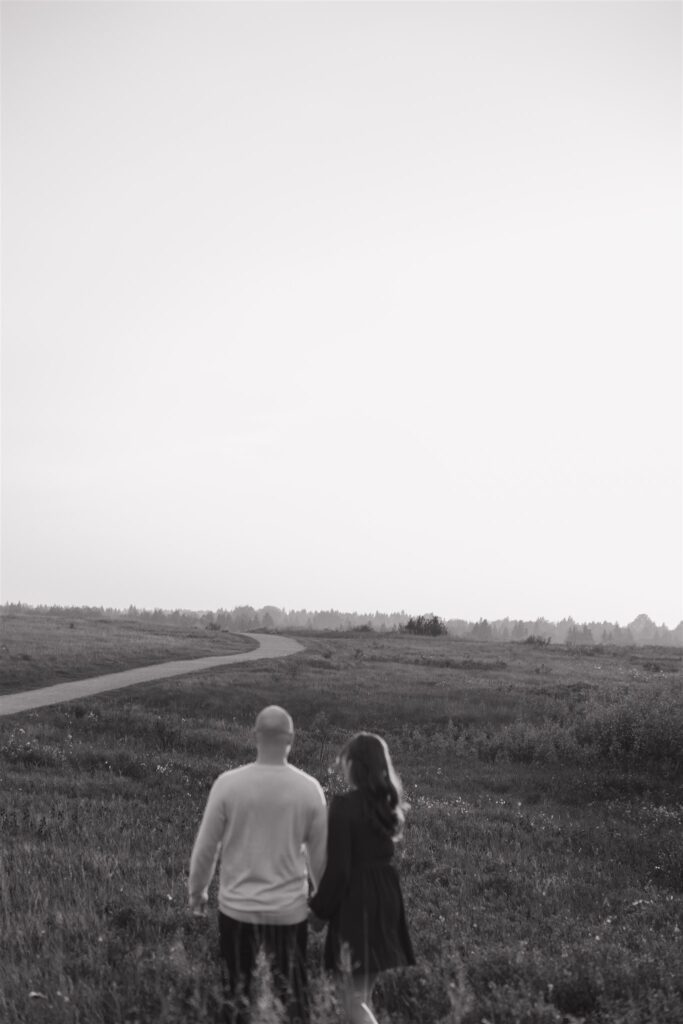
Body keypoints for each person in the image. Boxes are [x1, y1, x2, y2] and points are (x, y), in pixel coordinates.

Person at [188, 705, 327, 1024]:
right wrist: (322, 906)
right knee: (292, 1001)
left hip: (237, 910)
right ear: (291, 738)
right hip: (289, 912)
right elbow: (320, 860)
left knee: (236, 999)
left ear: (255, 737)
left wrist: (198, 894)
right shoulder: (309, 789)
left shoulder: (228, 784)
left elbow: (206, 848)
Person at [309, 732, 415, 1024]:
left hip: (358, 903)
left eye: (345, 762)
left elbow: (340, 869)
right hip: (386, 899)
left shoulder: (344, 805)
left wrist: (319, 910)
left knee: (351, 1000)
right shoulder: (386, 804)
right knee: (362, 995)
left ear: (355, 765)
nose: (343, 768)